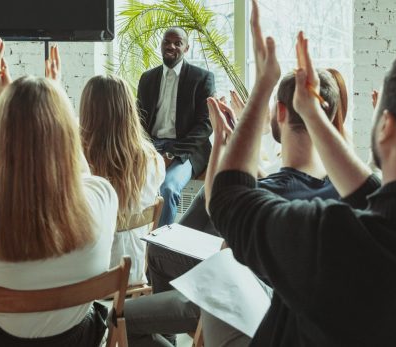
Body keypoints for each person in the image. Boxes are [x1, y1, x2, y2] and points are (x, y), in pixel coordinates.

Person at [203, 4, 396, 344]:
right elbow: (388, 198)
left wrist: (263, 85)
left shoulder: (331, 241)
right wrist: (313, 116)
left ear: (387, 127)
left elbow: (228, 200)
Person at [122, 66, 349, 347]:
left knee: (120, 315)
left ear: (279, 112)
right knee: (161, 249)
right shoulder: (346, 188)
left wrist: (220, 139)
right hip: (284, 305)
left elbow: (218, 211)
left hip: (239, 300)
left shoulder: (263, 200)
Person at [0, 40, 119, 345]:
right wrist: (56, 105)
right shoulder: (102, 197)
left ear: (2, 139)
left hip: (0, 341)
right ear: (68, 134)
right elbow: (80, 174)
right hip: (78, 339)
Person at [80, 74, 166, 286]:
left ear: (87, 111)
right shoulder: (152, 160)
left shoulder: (79, 163)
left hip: (89, 280)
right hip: (132, 273)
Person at [137, 27, 217, 226]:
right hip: (151, 146)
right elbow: (138, 120)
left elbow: (206, 125)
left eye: (177, 43)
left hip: (186, 149)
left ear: (186, 48)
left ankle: (159, 251)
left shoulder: (202, 78)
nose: (171, 46)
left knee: (169, 189)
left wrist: (172, 154)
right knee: (132, 185)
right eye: (166, 41)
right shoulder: (147, 78)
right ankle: (135, 239)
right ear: (161, 44)